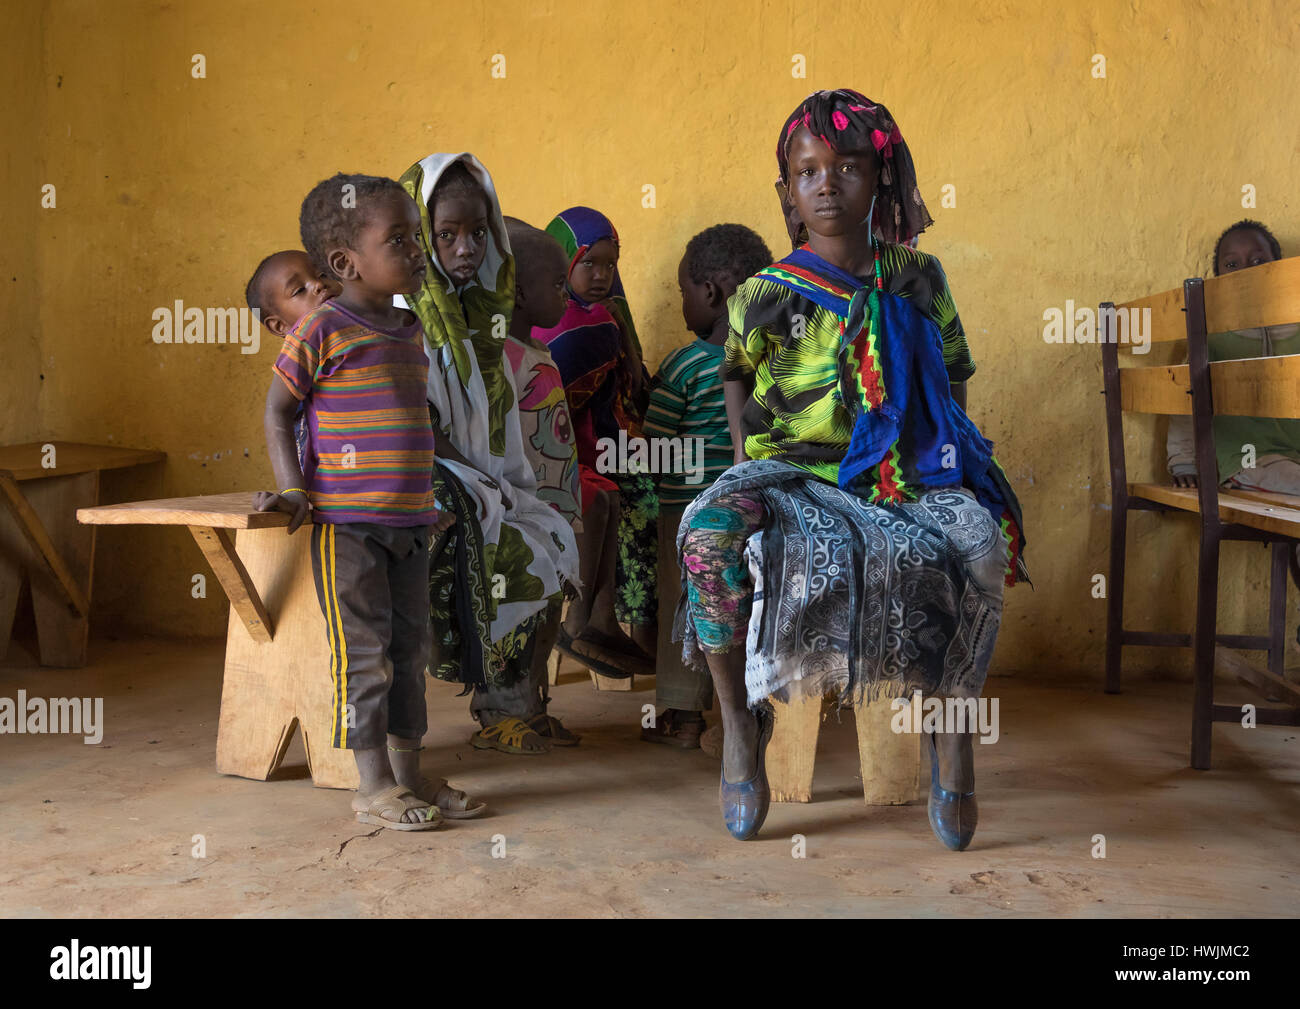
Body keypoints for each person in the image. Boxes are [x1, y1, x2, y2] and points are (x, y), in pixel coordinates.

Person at [674, 89, 1028, 849]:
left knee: (983, 546)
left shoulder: (918, 277)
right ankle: (741, 721)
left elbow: (953, 374)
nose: (826, 182)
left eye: (847, 166)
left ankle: (951, 726)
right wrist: (743, 465)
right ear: (788, 193)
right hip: (792, 479)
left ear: (884, 179)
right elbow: (736, 374)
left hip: (904, 476)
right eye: (808, 172)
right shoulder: (766, 292)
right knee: (705, 536)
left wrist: (947, 460)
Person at [253, 173, 461, 830]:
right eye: (399, 239)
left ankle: (409, 774)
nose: (417, 250)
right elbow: (278, 411)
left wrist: (434, 494)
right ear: (345, 264)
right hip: (347, 527)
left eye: (415, 235)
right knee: (364, 650)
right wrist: (293, 489)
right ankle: (371, 784)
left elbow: (415, 424)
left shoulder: (407, 328)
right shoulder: (321, 328)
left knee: (409, 647)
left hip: (409, 522)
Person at [397, 153, 580, 756]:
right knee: (496, 542)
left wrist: (491, 480)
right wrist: (476, 477)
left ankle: (515, 707)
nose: (465, 248)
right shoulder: (404, 317)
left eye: (478, 232)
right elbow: (416, 425)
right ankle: (495, 707)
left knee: (552, 537)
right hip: (420, 474)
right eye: (445, 235)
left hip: (479, 476)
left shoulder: (484, 314)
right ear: (420, 235)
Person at [641, 224, 772, 749]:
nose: (682, 306)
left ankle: (682, 715)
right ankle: (740, 710)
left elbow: (655, 443)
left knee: (684, 602)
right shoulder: (769, 363)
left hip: (687, 510)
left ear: (711, 294)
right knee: (740, 604)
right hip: (752, 506)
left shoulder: (684, 365)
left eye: (683, 294)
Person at [535, 207, 657, 677]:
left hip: (610, 452)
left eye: (611, 264)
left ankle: (600, 622)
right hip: (579, 456)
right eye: (590, 263)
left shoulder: (604, 317)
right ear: (562, 262)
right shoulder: (579, 327)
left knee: (654, 483)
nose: (603, 275)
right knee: (646, 497)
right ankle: (600, 622)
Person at [1166, 220, 1300, 493]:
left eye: (1258, 261)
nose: (1245, 272)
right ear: (1218, 277)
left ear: (1279, 268)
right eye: (1231, 265)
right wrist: (1183, 463)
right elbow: (1185, 398)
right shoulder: (1213, 338)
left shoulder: (1297, 329)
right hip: (1249, 462)